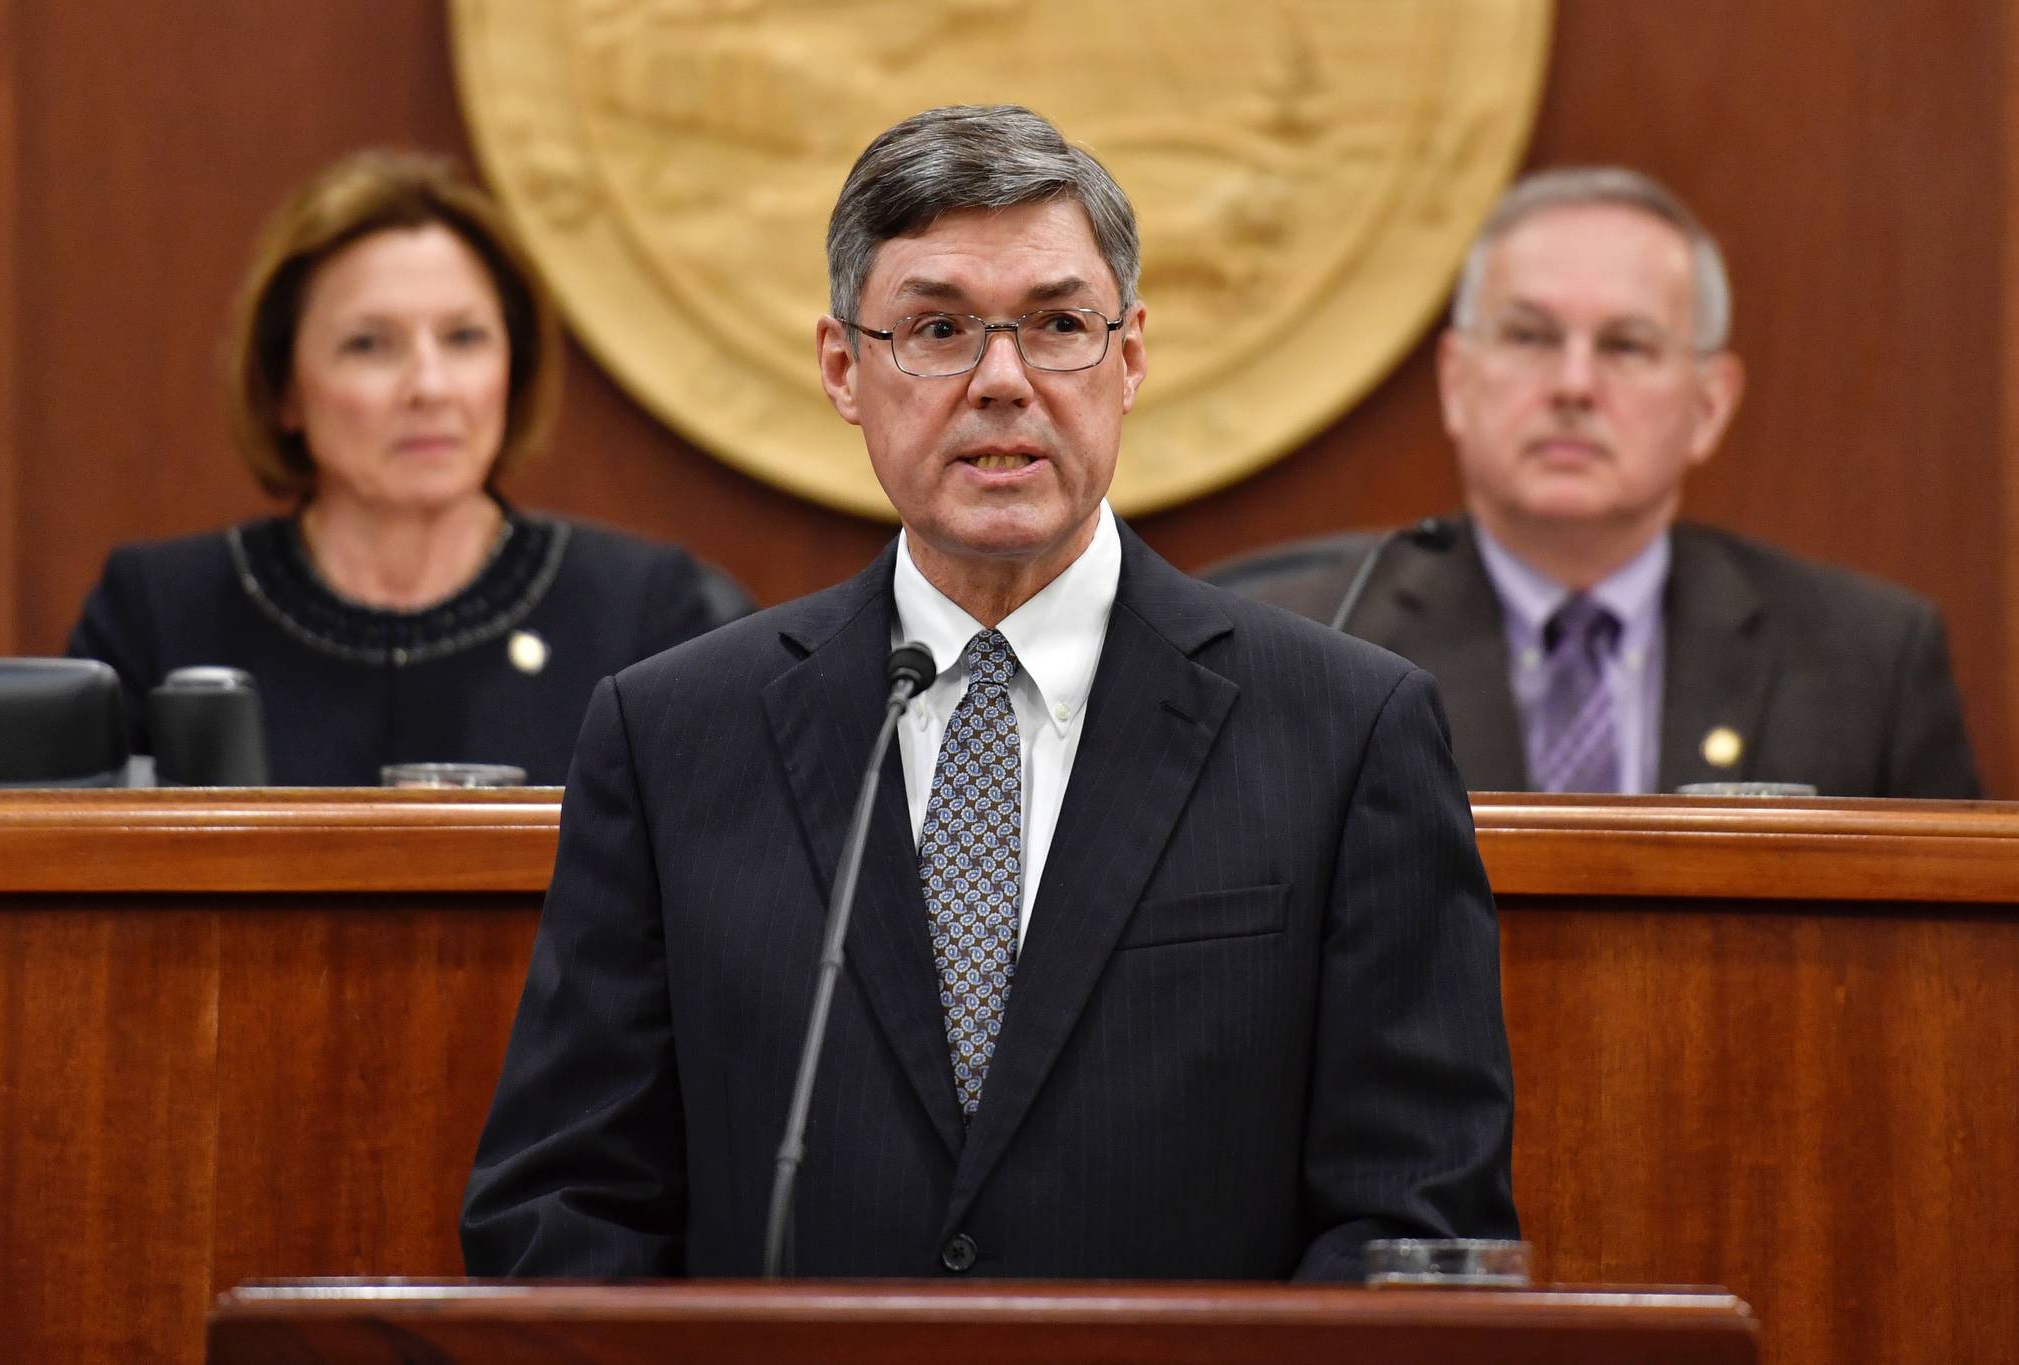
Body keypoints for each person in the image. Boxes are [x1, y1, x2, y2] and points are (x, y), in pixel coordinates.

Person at [461, 105, 1516, 1280]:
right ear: (841, 368)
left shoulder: (1345, 732)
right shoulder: (672, 735)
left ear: (1128, 358)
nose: (1001, 382)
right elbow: (567, 1212)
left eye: (1058, 324)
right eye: (937, 328)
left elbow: (1414, 1229)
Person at [1210, 167, 1980, 797]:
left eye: (1627, 345)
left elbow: (1952, 974)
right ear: (1456, 384)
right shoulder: (1294, 647)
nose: (1574, 385)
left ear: (1709, 406)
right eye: (1530, 336)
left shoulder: (1868, 663)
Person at [66, 150, 750, 786]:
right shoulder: (157, 615)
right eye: (371, 344)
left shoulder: (651, 616)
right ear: (285, 389)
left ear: (513, 368)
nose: (430, 386)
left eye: (464, 338)